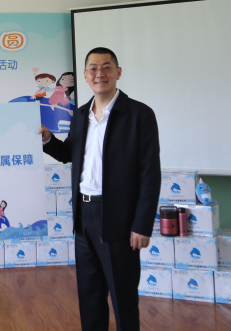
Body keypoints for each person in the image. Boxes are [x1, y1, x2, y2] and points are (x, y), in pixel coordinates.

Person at [40, 48, 160, 331]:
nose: (99, 74)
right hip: (84, 217)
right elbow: (69, 153)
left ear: (118, 73)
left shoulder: (139, 114)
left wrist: (142, 225)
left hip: (119, 218)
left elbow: (149, 174)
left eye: (106, 67)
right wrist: (48, 139)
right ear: (85, 76)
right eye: (93, 68)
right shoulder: (81, 115)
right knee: (90, 295)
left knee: (122, 296)